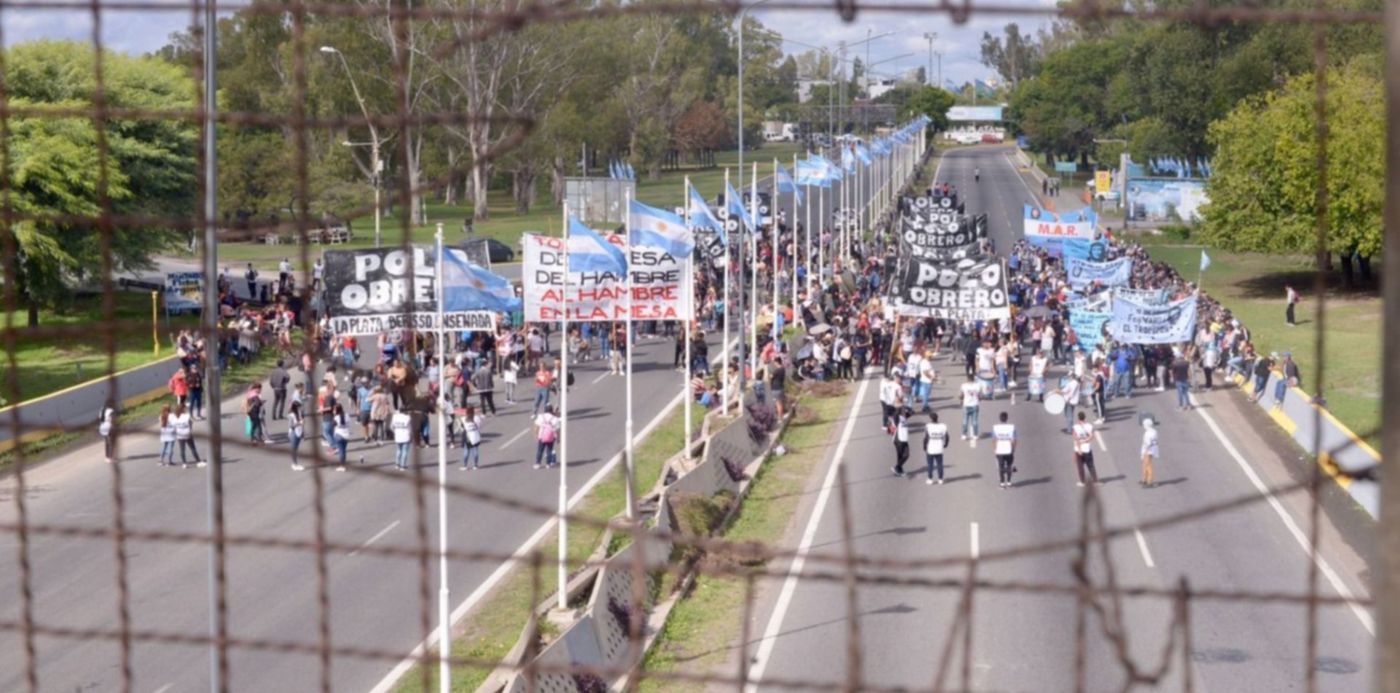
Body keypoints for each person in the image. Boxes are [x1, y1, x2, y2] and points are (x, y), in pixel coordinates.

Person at [1072, 411, 1098, 486]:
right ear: (1085, 418)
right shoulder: (1089, 426)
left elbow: (1076, 439)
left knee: (1080, 466)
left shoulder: (1075, 427)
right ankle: (1095, 480)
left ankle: (1082, 482)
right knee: (1090, 465)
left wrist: (1079, 449)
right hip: (1087, 449)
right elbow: (1092, 436)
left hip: (1078, 450)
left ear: (1078, 418)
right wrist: (1085, 440)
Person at [173, 404, 204, 468]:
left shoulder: (175, 417)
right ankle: (198, 461)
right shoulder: (187, 416)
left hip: (179, 435)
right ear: (183, 409)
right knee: (192, 448)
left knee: (182, 449)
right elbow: (190, 424)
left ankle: (184, 463)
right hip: (187, 433)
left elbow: (174, 427)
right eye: (185, 408)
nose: (186, 409)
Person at [992, 411, 1016, 489]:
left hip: (1000, 450)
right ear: (1007, 418)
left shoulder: (996, 427)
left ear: (1000, 419)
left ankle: (1002, 483)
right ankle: (1009, 482)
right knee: (1009, 466)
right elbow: (1014, 440)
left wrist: (995, 449)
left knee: (1001, 467)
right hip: (1008, 449)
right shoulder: (1011, 427)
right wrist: (1013, 449)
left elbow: (994, 440)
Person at [924, 412, 949, 485]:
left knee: (930, 464)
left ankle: (930, 479)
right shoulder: (943, 426)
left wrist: (924, 446)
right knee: (940, 464)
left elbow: (926, 438)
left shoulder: (928, 426)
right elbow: (947, 437)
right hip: (939, 447)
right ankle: (940, 479)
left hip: (931, 447)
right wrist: (946, 444)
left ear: (931, 419)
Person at [534, 405, 559, 469]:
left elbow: (536, 426)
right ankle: (548, 464)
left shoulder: (541, 416)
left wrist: (536, 435)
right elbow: (557, 429)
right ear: (551, 410)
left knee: (540, 450)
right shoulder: (554, 418)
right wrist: (558, 438)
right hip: (551, 437)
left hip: (541, 436)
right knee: (549, 450)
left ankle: (537, 463)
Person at [460, 405, 484, 470]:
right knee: (475, 450)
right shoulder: (476, 418)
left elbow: (462, 428)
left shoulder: (463, 418)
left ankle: (465, 466)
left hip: (468, 436)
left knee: (466, 451)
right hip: (475, 435)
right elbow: (479, 425)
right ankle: (475, 465)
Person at [959, 374, 981, 445]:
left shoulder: (964, 386)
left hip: (966, 405)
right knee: (974, 421)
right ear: (973, 379)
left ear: (967, 379)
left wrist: (960, 399)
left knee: (965, 421)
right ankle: (975, 435)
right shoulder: (978, 386)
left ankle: (964, 435)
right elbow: (979, 395)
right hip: (975, 405)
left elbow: (961, 395)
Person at [390, 406, 413, 471]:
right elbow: (410, 428)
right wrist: (411, 435)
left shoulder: (395, 417)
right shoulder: (408, 418)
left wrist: (395, 432)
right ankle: (403, 466)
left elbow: (391, 427)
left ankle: (397, 464)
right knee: (404, 451)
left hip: (398, 436)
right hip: (406, 436)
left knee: (398, 450)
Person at [891, 407, 910, 478]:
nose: (905, 412)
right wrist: (899, 410)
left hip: (904, 439)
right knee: (906, 455)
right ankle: (897, 467)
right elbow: (895, 415)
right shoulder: (897, 418)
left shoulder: (904, 417)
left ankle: (898, 470)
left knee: (901, 456)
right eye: (903, 411)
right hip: (898, 439)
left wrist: (907, 409)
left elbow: (912, 412)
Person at [331, 403, 351, 471]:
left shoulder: (336, 417)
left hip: (339, 434)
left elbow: (333, 425)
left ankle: (342, 466)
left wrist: (333, 415)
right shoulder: (346, 415)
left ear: (336, 410)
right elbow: (349, 423)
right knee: (344, 450)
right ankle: (343, 464)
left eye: (334, 409)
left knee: (341, 451)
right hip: (346, 435)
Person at [1140, 417, 1159, 487]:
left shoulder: (1148, 433)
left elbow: (1147, 444)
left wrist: (1144, 452)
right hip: (1152, 449)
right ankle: (1144, 479)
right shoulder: (1154, 431)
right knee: (1145, 465)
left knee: (1148, 465)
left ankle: (1149, 481)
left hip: (1148, 450)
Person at [288, 400, 306, 471]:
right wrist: (299, 423)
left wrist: (303, 433)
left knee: (296, 449)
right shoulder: (291, 415)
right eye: (299, 407)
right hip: (293, 433)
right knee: (294, 449)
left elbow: (303, 424)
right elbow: (291, 425)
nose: (300, 408)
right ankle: (294, 464)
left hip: (299, 432)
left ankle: (295, 463)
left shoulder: (300, 413)